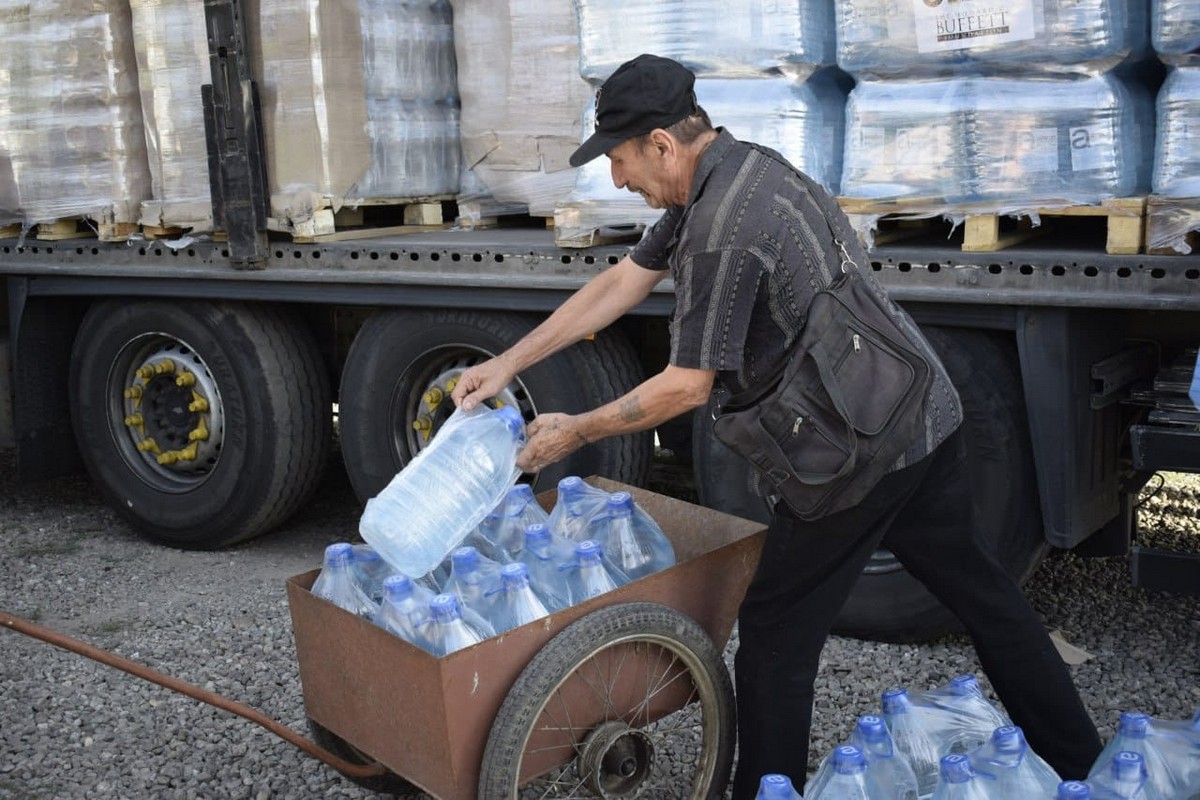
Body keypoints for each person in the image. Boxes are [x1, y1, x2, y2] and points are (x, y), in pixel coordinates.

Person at [451, 53, 1103, 798]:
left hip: (854, 455)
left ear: (663, 143)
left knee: (773, 637)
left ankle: (766, 791)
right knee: (985, 596)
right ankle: (1086, 763)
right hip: (920, 414)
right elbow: (619, 284)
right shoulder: (740, 168)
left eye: (623, 159)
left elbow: (685, 387)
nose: (617, 180)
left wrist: (577, 430)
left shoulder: (723, 231)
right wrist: (510, 361)